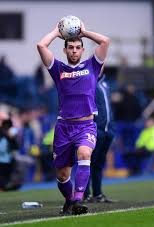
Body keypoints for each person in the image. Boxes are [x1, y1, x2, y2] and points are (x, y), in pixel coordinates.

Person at [37, 20, 110, 215]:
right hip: (64, 128)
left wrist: (84, 32)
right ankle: (69, 200)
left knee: (85, 154)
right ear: (65, 50)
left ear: (82, 49)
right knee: (62, 175)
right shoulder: (58, 69)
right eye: (71, 48)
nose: (75, 51)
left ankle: (78, 200)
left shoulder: (93, 66)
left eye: (78, 48)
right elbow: (41, 46)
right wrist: (55, 31)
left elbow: (105, 42)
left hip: (86, 125)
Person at [84, 75, 116, 203]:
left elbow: (108, 109)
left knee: (99, 164)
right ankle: (85, 194)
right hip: (96, 130)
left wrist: (112, 127)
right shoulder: (89, 84)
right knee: (88, 163)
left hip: (108, 131)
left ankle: (98, 194)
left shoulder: (106, 84)